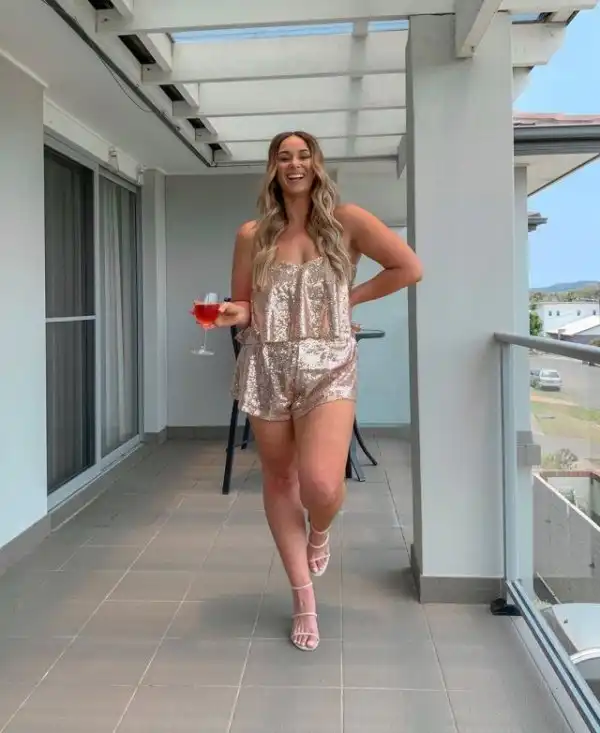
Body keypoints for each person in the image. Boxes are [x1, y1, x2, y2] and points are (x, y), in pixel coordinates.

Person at [215, 131, 422, 651]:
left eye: (303, 155)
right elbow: (245, 305)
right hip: (267, 364)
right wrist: (229, 313)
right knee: (279, 478)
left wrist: (350, 299)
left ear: (317, 164)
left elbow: (408, 268)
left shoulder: (346, 221)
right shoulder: (252, 235)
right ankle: (303, 598)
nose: (295, 164)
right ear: (272, 168)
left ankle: (320, 530)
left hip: (329, 366)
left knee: (322, 486)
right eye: (284, 157)